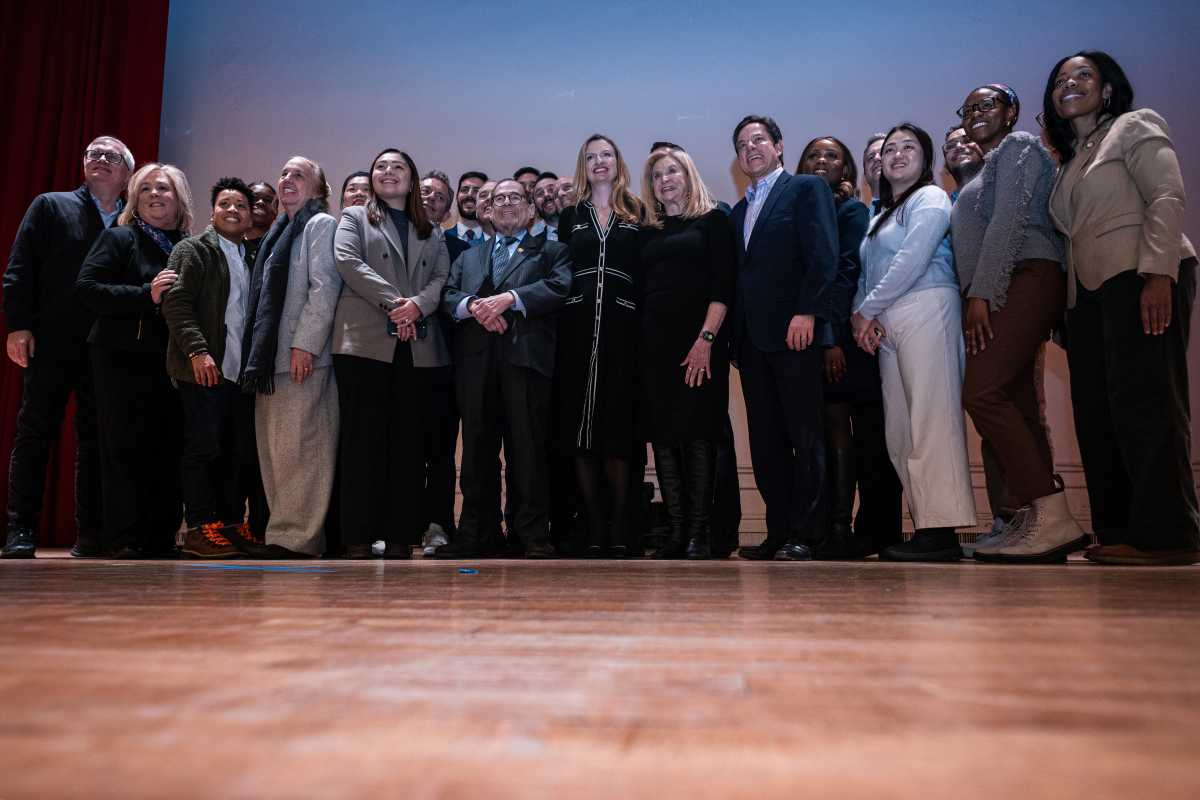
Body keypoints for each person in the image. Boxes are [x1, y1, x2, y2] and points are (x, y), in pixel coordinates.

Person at [1044, 50, 1199, 566]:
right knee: (1098, 412)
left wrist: (1158, 273)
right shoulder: (1070, 160)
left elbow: (1166, 196)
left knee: (1148, 404)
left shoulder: (1134, 125)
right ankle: (1119, 530)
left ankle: (1168, 536)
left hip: (1140, 275)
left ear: (1107, 88)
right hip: (1088, 297)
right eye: (1060, 80)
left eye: (1083, 75)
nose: (1069, 83)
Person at [950, 84, 1087, 564]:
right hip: (1003, 285)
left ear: (1012, 112)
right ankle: (1035, 519)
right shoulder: (988, 164)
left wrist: (982, 295)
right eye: (968, 108)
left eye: (987, 104)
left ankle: (1051, 509)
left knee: (981, 393)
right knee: (1017, 399)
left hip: (1027, 274)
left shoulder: (1019, 146)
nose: (975, 113)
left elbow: (1008, 222)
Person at [1, 135, 132, 559]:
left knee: (95, 439)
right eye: (94, 153)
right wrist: (18, 325)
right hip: (52, 339)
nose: (101, 159)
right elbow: (20, 266)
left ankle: (90, 534)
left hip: (107, 347)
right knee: (35, 433)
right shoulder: (51, 206)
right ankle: (21, 530)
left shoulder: (132, 219)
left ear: (127, 172)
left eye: (112, 156)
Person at [853, 123, 977, 561]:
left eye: (909, 147)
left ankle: (941, 532)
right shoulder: (879, 215)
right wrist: (863, 316)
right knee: (900, 431)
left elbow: (913, 258)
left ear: (926, 159)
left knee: (931, 421)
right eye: (890, 149)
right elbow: (867, 273)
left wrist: (866, 310)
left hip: (928, 306)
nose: (897, 154)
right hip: (887, 322)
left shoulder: (931, 198)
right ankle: (925, 524)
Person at [433, 178, 572, 558]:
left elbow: (559, 287)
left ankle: (530, 534)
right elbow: (448, 295)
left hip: (525, 362)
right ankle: (477, 533)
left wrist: (509, 299)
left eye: (515, 197)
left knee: (527, 450)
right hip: (476, 364)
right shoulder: (468, 257)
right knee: (477, 451)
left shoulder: (552, 251)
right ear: (488, 210)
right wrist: (474, 307)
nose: (507, 203)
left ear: (530, 208)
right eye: (499, 198)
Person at [331, 149, 451, 559]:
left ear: (411, 179)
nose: (388, 172)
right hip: (364, 344)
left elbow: (441, 277)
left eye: (397, 166)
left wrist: (417, 306)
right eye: (380, 166)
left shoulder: (431, 228)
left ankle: (401, 536)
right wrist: (399, 305)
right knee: (362, 442)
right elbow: (348, 262)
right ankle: (358, 537)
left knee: (408, 445)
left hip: (418, 348)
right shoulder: (354, 218)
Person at [728, 115, 838, 562]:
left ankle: (808, 534)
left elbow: (823, 254)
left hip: (795, 333)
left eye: (758, 139)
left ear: (778, 146)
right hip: (752, 344)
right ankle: (778, 531)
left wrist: (807, 311)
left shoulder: (806, 189)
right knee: (766, 440)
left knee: (805, 436)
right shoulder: (738, 211)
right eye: (741, 144)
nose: (750, 148)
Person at [75, 162, 192, 558]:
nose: (155, 195)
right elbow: (88, 288)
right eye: (145, 189)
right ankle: (125, 537)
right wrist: (147, 294)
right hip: (121, 357)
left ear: (179, 198)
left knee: (168, 446)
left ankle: (161, 537)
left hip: (172, 362)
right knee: (124, 447)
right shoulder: (119, 237)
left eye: (163, 188)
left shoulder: (188, 246)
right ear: (134, 199)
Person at [796, 136, 903, 559]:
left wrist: (830, 339)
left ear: (846, 169)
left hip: (845, 338)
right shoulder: (799, 210)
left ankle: (847, 529)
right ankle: (832, 527)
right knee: (827, 430)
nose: (821, 160)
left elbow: (844, 275)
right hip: (809, 340)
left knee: (852, 429)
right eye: (813, 155)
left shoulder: (851, 211)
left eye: (832, 155)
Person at [239, 156, 341, 558]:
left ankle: (298, 539)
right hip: (271, 362)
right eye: (284, 173)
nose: (288, 179)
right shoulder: (278, 231)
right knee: (277, 455)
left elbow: (324, 288)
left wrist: (306, 344)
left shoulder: (320, 224)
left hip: (301, 356)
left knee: (303, 452)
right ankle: (282, 533)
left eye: (299, 174)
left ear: (319, 189)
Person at [638, 147, 735, 559]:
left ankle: (699, 533)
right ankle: (676, 532)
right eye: (657, 175)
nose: (665, 180)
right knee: (663, 438)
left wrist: (706, 340)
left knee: (699, 437)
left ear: (688, 174)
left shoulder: (714, 220)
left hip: (700, 344)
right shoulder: (648, 230)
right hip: (654, 349)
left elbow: (724, 286)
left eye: (672, 171)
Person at [162, 177, 261, 559]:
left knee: (235, 453)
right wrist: (198, 352)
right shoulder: (193, 249)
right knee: (203, 448)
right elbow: (176, 303)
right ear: (213, 211)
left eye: (241, 205)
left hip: (238, 373)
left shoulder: (251, 256)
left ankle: (229, 526)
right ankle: (199, 528)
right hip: (203, 368)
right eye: (225, 204)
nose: (233, 210)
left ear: (250, 215)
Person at [556, 135, 645, 557]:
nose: (599, 162)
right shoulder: (571, 215)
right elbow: (559, 271)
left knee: (619, 428)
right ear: (583, 166)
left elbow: (647, 270)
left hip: (624, 332)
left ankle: (621, 526)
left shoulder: (638, 211)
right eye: (590, 157)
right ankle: (593, 525)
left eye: (606, 154)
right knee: (581, 429)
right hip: (576, 333)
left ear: (618, 161)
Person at [942, 124, 1013, 552]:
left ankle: (1028, 512)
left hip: (1004, 307)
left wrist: (984, 296)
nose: (959, 147)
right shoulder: (950, 202)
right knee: (988, 415)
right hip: (966, 318)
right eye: (950, 145)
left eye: (965, 139)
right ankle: (1006, 516)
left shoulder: (1001, 183)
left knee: (1014, 408)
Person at [243, 182, 278, 279]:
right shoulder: (227, 246)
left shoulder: (281, 248)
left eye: (268, 200)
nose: (261, 202)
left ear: (276, 211)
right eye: (254, 198)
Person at [445, 171, 487, 247]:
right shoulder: (442, 238)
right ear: (456, 196)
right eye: (464, 190)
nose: (469, 194)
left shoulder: (496, 241)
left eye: (476, 191)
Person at [943, 127, 983, 197]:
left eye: (967, 141)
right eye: (951, 146)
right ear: (946, 166)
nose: (959, 146)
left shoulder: (1002, 182)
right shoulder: (944, 203)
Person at [530, 171, 560, 240]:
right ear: (534, 204)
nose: (546, 195)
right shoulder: (533, 238)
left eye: (551, 190)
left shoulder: (583, 221)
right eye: (540, 193)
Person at [862, 134, 886, 215]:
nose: (876, 158)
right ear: (865, 173)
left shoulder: (915, 205)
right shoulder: (860, 217)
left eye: (883, 153)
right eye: (871, 157)